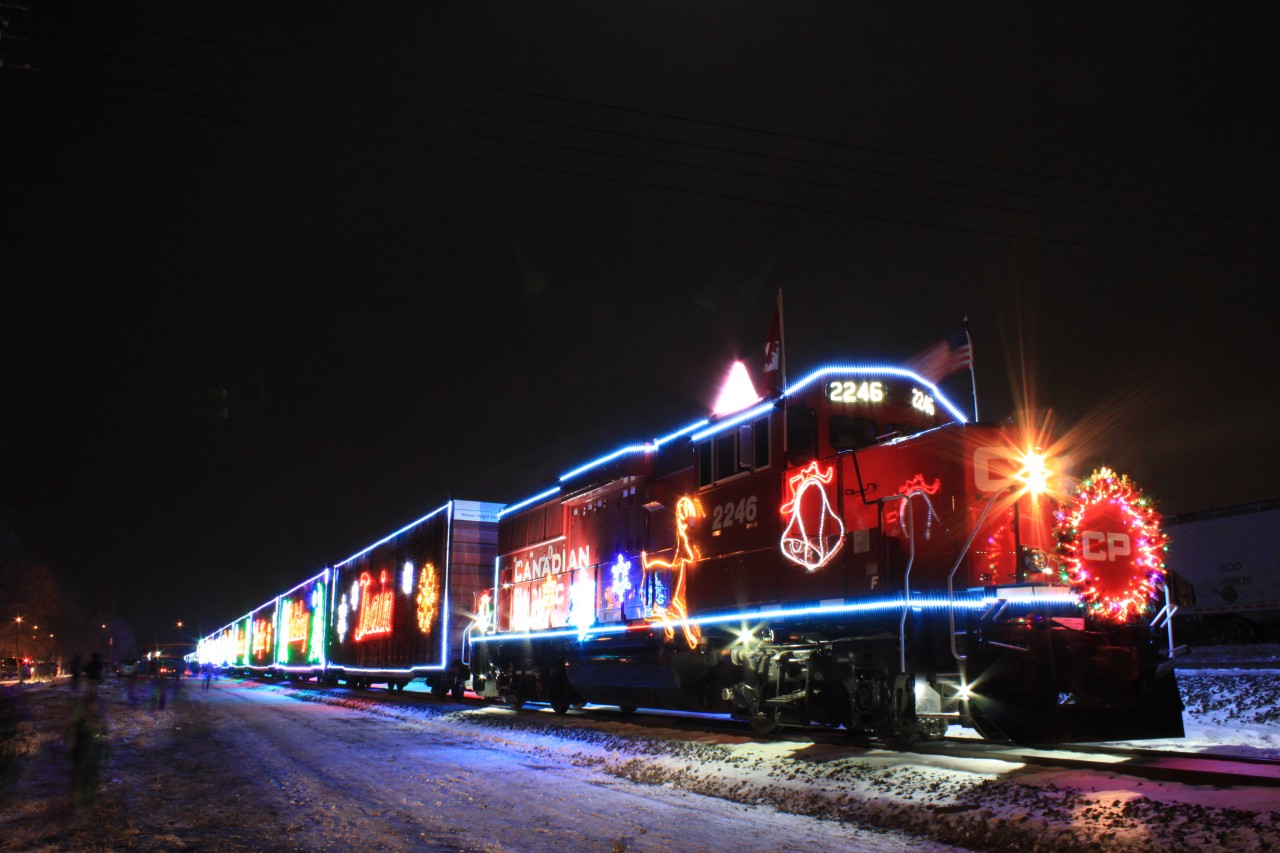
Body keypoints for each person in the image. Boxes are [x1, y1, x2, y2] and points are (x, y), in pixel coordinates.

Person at [68, 690, 107, 805]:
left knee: (91, 773)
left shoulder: (98, 718)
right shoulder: (80, 718)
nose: (96, 707)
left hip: (93, 752)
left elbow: (103, 734)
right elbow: (72, 732)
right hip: (82, 750)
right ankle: (79, 798)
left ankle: (88, 797)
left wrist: (105, 749)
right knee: (81, 773)